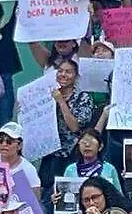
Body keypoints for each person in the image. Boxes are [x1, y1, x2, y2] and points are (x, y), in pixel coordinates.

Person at [40, 59, 96, 198]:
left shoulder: (83, 97)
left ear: (76, 76)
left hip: (71, 153)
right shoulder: (47, 95)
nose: (63, 74)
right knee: (46, 191)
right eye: (60, 71)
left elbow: (75, 126)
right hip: (50, 151)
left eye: (68, 72)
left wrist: (60, 101)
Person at [0, 122, 42, 195]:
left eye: (9, 141)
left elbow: (36, 200)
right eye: (0, 140)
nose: (4, 144)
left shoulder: (28, 169)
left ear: (19, 145)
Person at [61, 128, 122, 193]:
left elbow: (119, 197)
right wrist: (56, 199)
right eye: (84, 142)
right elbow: (64, 195)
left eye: (91, 142)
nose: (87, 145)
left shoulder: (110, 169)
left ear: (100, 146)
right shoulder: (70, 169)